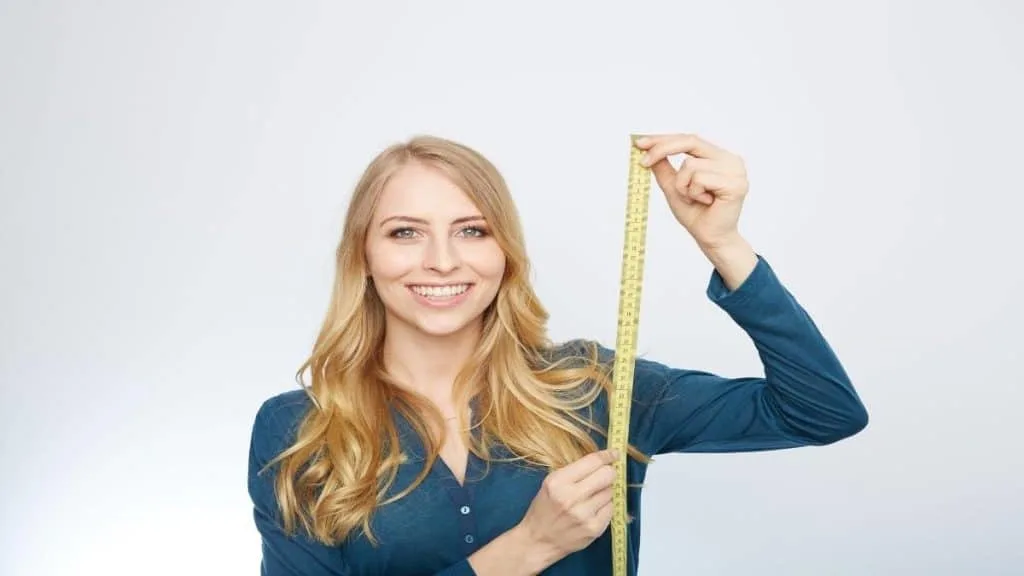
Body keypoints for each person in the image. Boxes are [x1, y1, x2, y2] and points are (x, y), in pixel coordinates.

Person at [247, 133, 869, 575]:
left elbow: (821, 412)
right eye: (405, 232)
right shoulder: (298, 432)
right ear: (364, 257)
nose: (442, 260)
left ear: (505, 254)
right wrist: (528, 548)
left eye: (472, 230)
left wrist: (723, 243)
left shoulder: (594, 389)